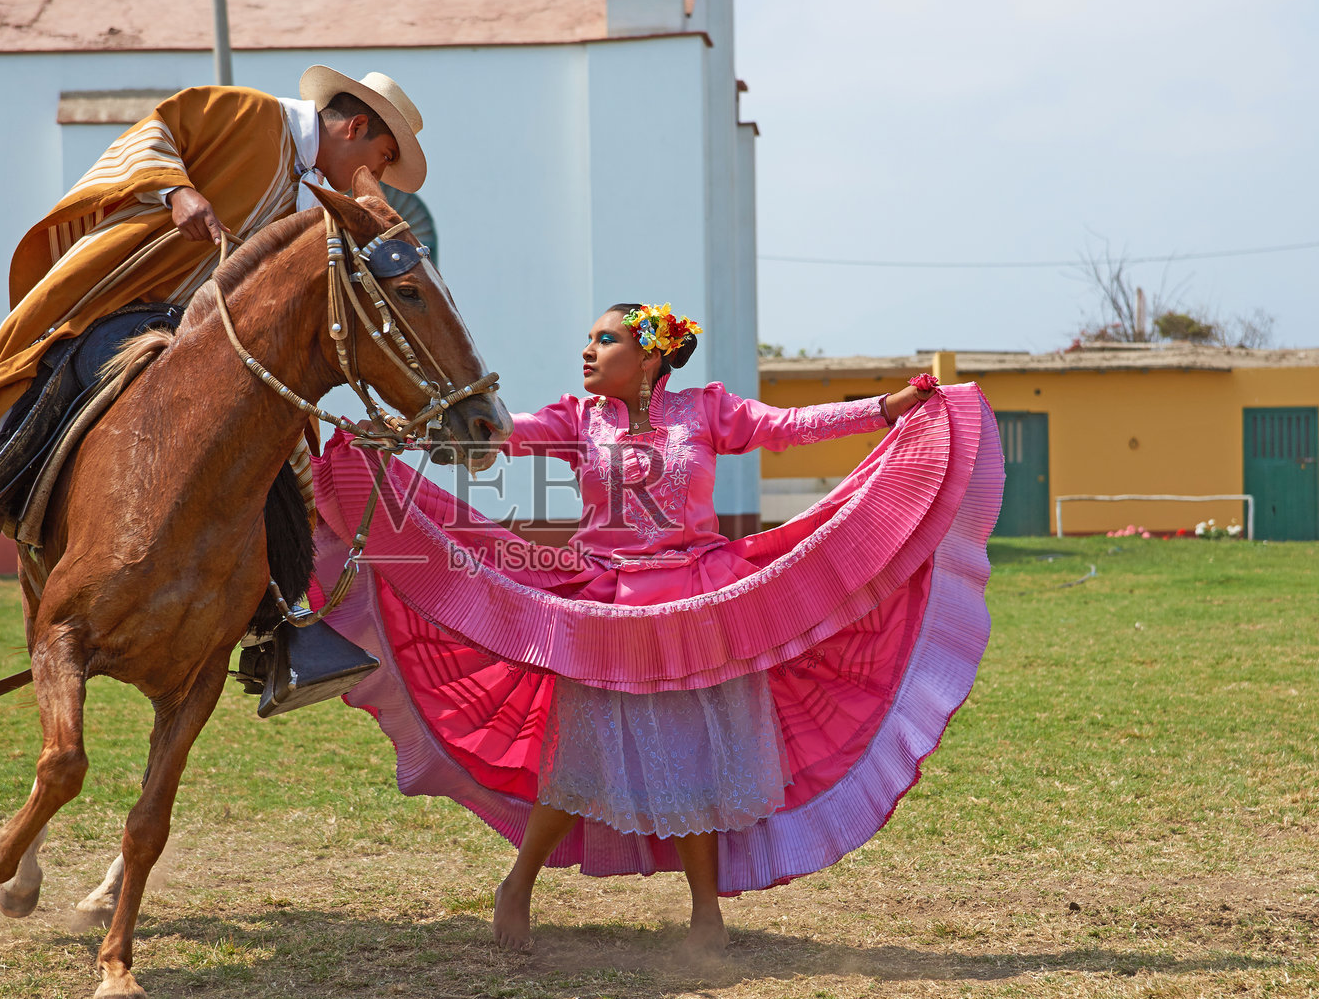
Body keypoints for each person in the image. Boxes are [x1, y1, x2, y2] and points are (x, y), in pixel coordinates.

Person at [308, 302, 1002, 954]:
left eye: (604, 340)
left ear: (648, 356)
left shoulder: (707, 411)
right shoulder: (580, 418)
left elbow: (790, 427)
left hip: (699, 603)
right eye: (588, 339)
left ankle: (706, 909)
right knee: (580, 755)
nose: (587, 349)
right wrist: (401, 435)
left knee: (695, 755)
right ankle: (518, 884)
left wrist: (884, 409)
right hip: (606, 606)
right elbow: (497, 432)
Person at [0, 66, 428, 649]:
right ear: (354, 128)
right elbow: (152, 134)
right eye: (380, 159)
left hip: (209, 340)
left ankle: (284, 623)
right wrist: (178, 192)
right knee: (36, 388)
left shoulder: (312, 199)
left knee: (282, 448)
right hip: (121, 300)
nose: (374, 176)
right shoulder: (249, 112)